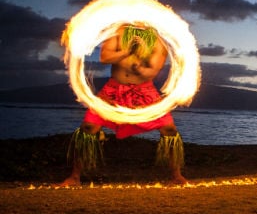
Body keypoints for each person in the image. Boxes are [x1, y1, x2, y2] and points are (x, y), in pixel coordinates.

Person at [61, 24, 187, 185]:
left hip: (145, 92)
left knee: (169, 130)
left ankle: (176, 175)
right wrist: (128, 51)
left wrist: (140, 63)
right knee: (88, 128)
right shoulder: (119, 32)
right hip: (113, 90)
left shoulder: (158, 41)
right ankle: (74, 176)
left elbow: (152, 71)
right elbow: (105, 57)